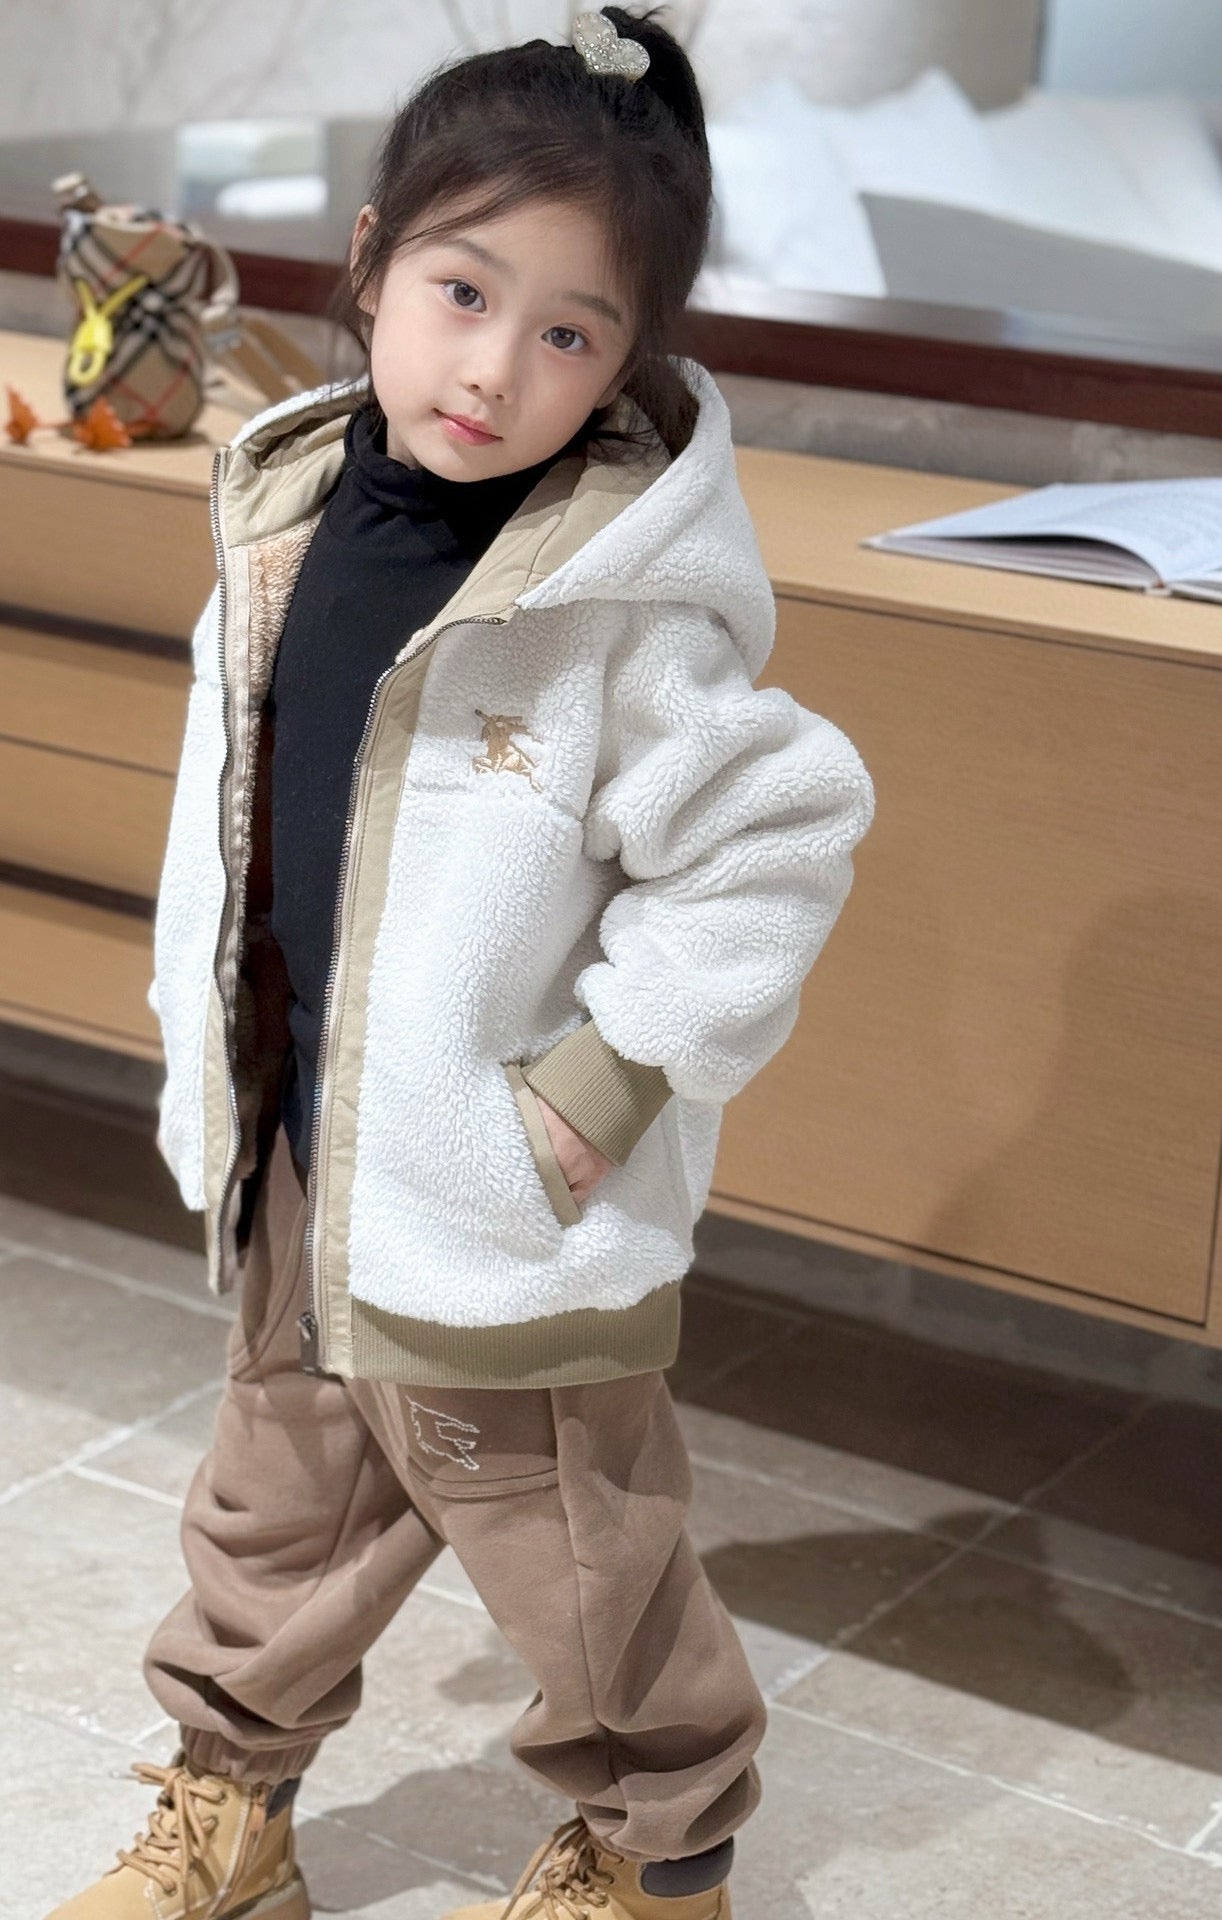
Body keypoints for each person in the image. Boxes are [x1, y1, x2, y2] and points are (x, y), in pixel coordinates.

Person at [48, 10, 875, 1920]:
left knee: (579, 1557)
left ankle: (660, 1858)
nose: (497, 367)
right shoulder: (287, 515)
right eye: (463, 292)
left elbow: (776, 837)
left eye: (572, 333)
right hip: (304, 1147)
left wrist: (594, 1094)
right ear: (370, 263)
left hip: (498, 1196)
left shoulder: (614, 611)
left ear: (629, 360)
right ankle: (231, 1816)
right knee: (272, 1509)